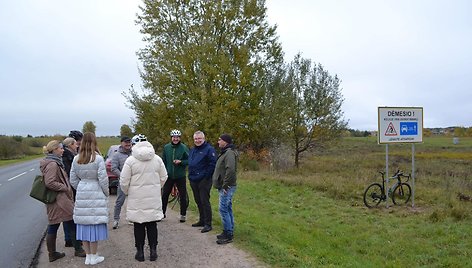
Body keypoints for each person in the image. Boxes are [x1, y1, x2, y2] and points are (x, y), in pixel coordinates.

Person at [120, 134, 168, 262]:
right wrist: (156, 187)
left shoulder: (130, 161)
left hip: (137, 198)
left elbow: (124, 181)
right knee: (152, 224)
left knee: (138, 225)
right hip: (153, 196)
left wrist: (128, 192)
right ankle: (153, 251)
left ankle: (140, 252)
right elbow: (164, 177)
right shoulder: (157, 159)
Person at [39, 140, 85, 262]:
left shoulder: (52, 162)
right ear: (54, 150)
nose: (63, 150)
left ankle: (53, 254)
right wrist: (65, 187)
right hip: (59, 199)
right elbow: (50, 182)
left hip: (56, 200)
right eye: (60, 148)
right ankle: (78, 250)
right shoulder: (53, 164)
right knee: (71, 222)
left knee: (54, 225)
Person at [70, 132, 109, 265]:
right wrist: (106, 192)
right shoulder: (98, 159)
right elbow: (103, 179)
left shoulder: (76, 159)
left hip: (82, 190)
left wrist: (81, 187)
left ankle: (88, 257)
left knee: (84, 224)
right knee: (94, 224)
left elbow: (73, 180)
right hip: (95, 189)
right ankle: (94, 255)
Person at [188, 130, 217, 233]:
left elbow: (212, 164)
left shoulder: (209, 149)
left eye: (199, 138)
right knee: (198, 200)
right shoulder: (192, 150)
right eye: (196, 139)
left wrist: (206, 177)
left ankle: (208, 224)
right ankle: (201, 220)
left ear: (204, 139)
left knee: (205, 201)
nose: (197, 140)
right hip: (193, 179)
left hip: (204, 180)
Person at [212, 134, 239, 244]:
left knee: (223, 209)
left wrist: (226, 185)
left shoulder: (229, 153)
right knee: (227, 208)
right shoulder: (225, 152)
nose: (218, 142)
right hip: (225, 186)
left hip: (227, 187)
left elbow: (231, 170)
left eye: (220, 140)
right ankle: (228, 230)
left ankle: (228, 234)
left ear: (225, 142)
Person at [161, 129, 189, 222]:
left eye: (177, 137)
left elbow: (189, 160)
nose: (175, 139)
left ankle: (183, 215)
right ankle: (162, 213)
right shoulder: (166, 147)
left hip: (180, 175)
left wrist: (181, 162)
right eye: (174, 137)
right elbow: (163, 161)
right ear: (171, 138)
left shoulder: (184, 147)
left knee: (183, 195)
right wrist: (163, 172)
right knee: (165, 194)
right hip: (169, 175)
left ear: (179, 138)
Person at [111, 136, 133, 229]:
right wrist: (123, 176)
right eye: (126, 142)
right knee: (120, 201)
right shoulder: (116, 155)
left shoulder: (134, 153)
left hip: (134, 181)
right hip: (123, 181)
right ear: (121, 143)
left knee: (133, 200)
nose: (128, 144)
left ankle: (132, 218)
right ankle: (116, 219)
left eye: (129, 142)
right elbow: (114, 168)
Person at [61, 137, 79, 247]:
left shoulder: (69, 155)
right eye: (75, 144)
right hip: (69, 189)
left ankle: (70, 238)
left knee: (69, 214)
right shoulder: (66, 157)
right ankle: (70, 239)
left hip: (70, 188)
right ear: (70, 145)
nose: (77, 146)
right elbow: (69, 174)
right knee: (69, 214)